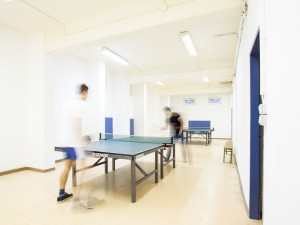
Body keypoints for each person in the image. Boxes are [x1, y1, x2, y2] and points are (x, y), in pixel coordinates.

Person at [57, 84, 89, 204]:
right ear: (84, 92)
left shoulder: (68, 103)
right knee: (83, 167)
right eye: (87, 94)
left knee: (66, 167)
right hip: (73, 142)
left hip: (64, 140)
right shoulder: (80, 104)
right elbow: (76, 124)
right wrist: (81, 143)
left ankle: (61, 194)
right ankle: (78, 200)